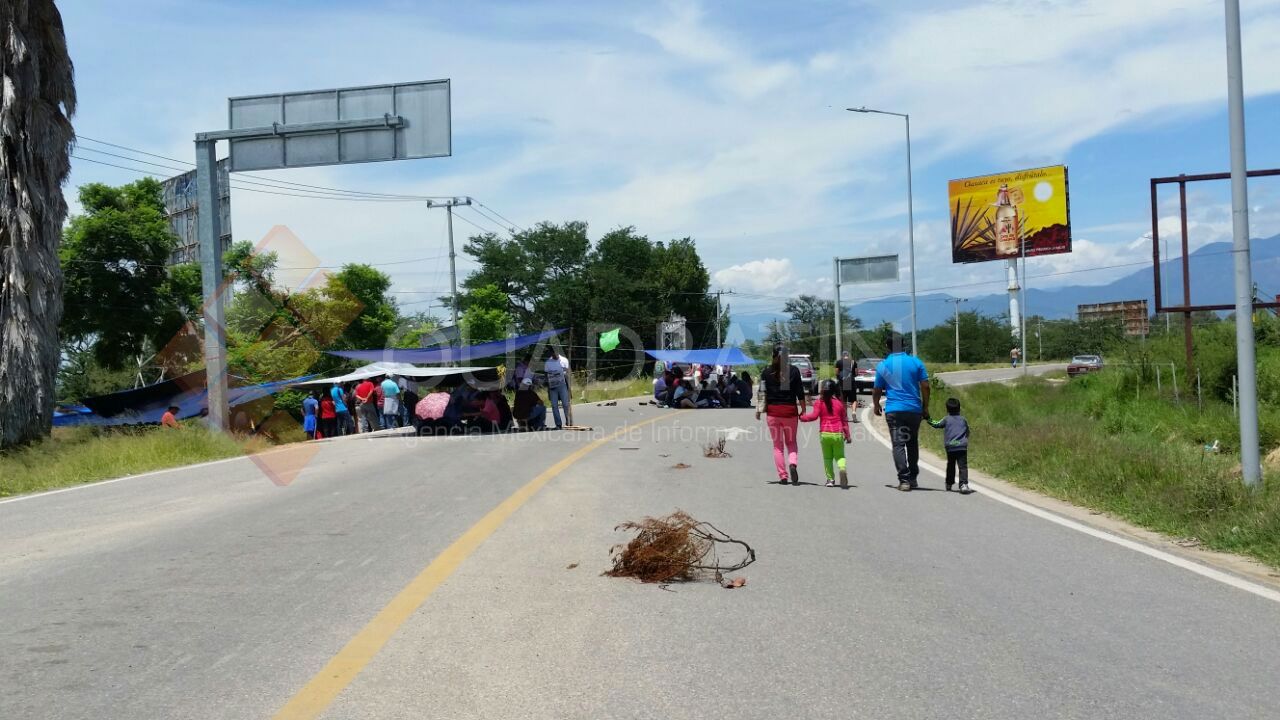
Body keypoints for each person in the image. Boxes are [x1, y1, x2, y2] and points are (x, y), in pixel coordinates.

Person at [872, 332, 931, 492]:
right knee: (912, 443)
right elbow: (925, 386)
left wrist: (876, 405)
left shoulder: (884, 365)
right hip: (914, 410)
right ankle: (913, 478)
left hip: (894, 410)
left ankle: (904, 481)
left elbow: (877, 389)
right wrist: (925, 407)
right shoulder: (915, 362)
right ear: (904, 344)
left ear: (887, 346)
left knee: (898, 444)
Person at [756, 345, 806, 484]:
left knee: (777, 446)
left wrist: (759, 410)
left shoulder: (766, 372)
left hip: (773, 413)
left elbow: (761, 393)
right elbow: (800, 392)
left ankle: (783, 476)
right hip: (790, 412)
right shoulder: (794, 371)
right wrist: (803, 409)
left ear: (773, 356)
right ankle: (792, 464)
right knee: (791, 442)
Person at [800, 380, 852, 487]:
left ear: (822, 390)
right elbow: (844, 421)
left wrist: (802, 417)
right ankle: (842, 469)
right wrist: (848, 435)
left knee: (827, 458)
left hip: (825, 434)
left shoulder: (819, 402)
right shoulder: (839, 403)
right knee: (840, 456)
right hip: (837, 434)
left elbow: (814, 416)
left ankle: (830, 480)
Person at [928, 397, 972, 494]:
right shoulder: (963, 420)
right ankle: (963, 484)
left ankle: (949, 483)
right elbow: (968, 432)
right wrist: (965, 440)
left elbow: (936, 424)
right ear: (959, 408)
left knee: (951, 465)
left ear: (947, 409)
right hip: (962, 446)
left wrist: (928, 419)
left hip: (950, 447)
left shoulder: (946, 419)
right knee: (963, 466)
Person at [545, 350, 572, 429]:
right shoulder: (548, 362)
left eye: (555, 353)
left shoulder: (564, 360)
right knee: (554, 405)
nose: (554, 355)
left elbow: (568, 372)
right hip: (552, 386)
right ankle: (558, 424)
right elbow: (546, 374)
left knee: (566, 404)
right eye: (552, 354)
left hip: (562, 384)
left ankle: (568, 421)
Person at [834, 349, 860, 423]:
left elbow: (836, 372)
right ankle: (854, 412)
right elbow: (856, 373)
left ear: (842, 356)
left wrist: (839, 378)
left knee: (844, 400)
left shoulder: (839, 362)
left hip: (843, 382)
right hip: (851, 382)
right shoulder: (853, 362)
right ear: (848, 356)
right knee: (854, 400)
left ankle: (845, 416)